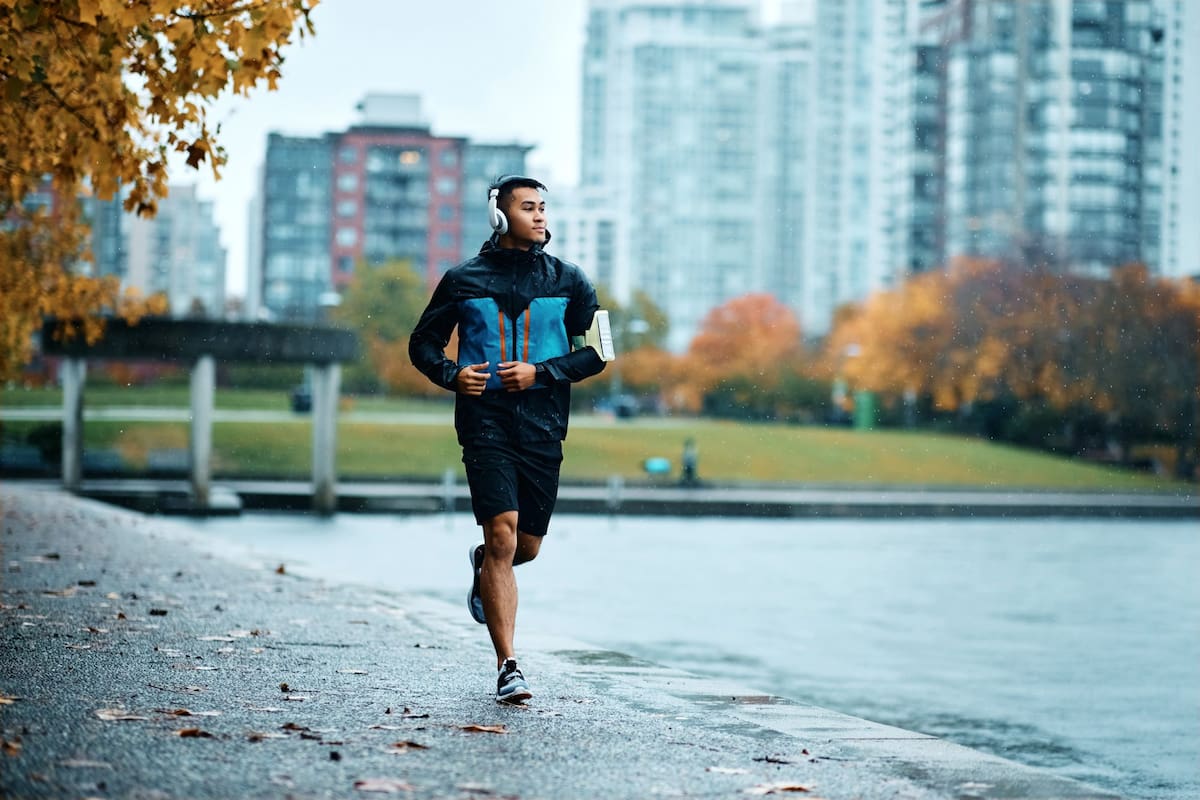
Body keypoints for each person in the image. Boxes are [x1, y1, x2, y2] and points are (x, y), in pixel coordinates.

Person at [408, 175, 607, 703]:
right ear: (500, 217)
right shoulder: (462, 279)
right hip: (484, 421)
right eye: (528, 207)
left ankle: (484, 567)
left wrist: (541, 373)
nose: (541, 216)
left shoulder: (572, 280)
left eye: (543, 207)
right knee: (503, 535)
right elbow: (422, 343)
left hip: (543, 426)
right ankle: (508, 666)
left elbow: (601, 351)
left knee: (527, 548)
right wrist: (452, 375)